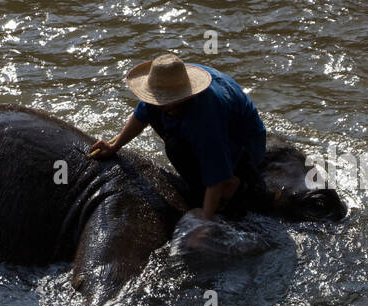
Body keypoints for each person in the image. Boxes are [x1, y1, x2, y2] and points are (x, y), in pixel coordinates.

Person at [89, 53, 267, 223]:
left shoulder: (205, 115)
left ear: (184, 96)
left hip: (243, 142)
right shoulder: (165, 84)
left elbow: (216, 167)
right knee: (167, 131)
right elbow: (141, 116)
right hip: (211, 125)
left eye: (165, 101)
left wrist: (205, 221)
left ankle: (233, 183)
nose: (159, 103)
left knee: (178, 150)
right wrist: (114, 145)